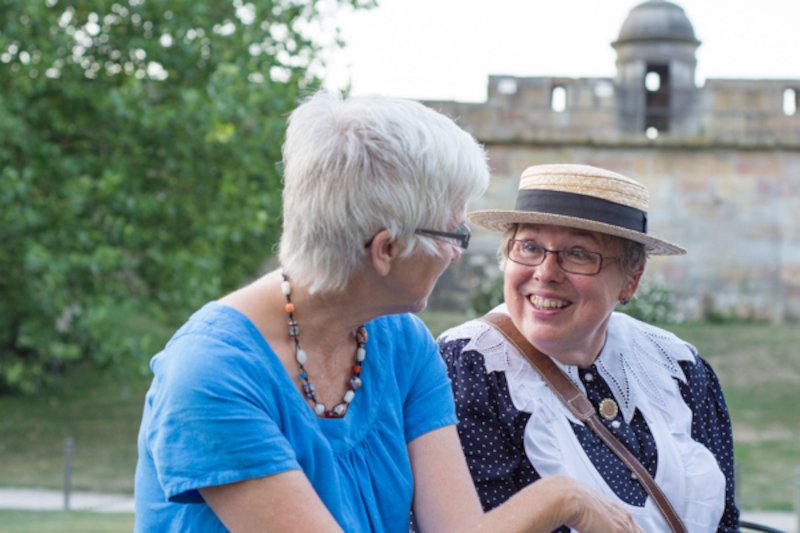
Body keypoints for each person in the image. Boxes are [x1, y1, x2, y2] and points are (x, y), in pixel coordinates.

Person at [134, 94, 645, 533]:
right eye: (454, 233)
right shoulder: (211, 376)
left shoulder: (402, 342)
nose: (458, 253)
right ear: (387, 249)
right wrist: (560, 498)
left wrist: (567, 495)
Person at [438, 163, 740, 533]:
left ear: (631, 279)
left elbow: (724, 521)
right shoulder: (472, 368)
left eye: (579, 253)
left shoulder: (678, 368)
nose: (546, 272)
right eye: (530, 247)